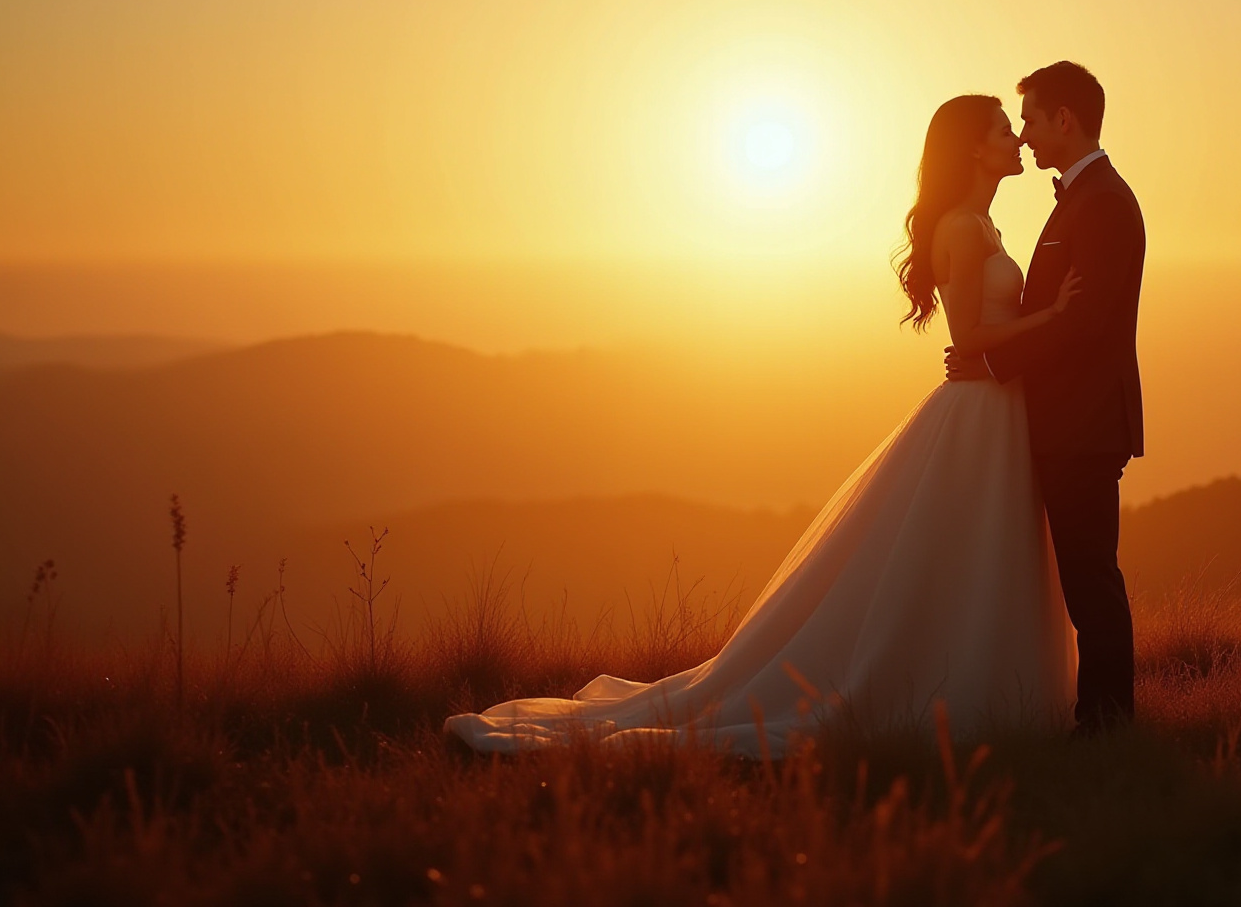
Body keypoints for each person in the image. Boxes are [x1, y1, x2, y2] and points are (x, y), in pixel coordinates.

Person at [444, 92, 1081, 754]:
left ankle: (991, 689)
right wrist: (1055, 319)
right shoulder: (961, 228)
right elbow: (970, 336)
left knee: (980, 557)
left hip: (997, 411)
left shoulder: (983, 225)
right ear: (974, 148)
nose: (1017, 141)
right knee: (965, 554)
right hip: (979, 416)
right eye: (1005, 131)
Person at [948, 61, 1144, 734]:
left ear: (1065, 120)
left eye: (1029, 119)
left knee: (1090, 579)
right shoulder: (1080, 199)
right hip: (1064, 421)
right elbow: (1049, 309)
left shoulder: (1104, 203)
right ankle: (1097, 718)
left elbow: (1082, 320)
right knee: (1083, 578)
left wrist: (993, 358)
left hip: (1084, 424)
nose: (1025, 135)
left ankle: (1107, 723)